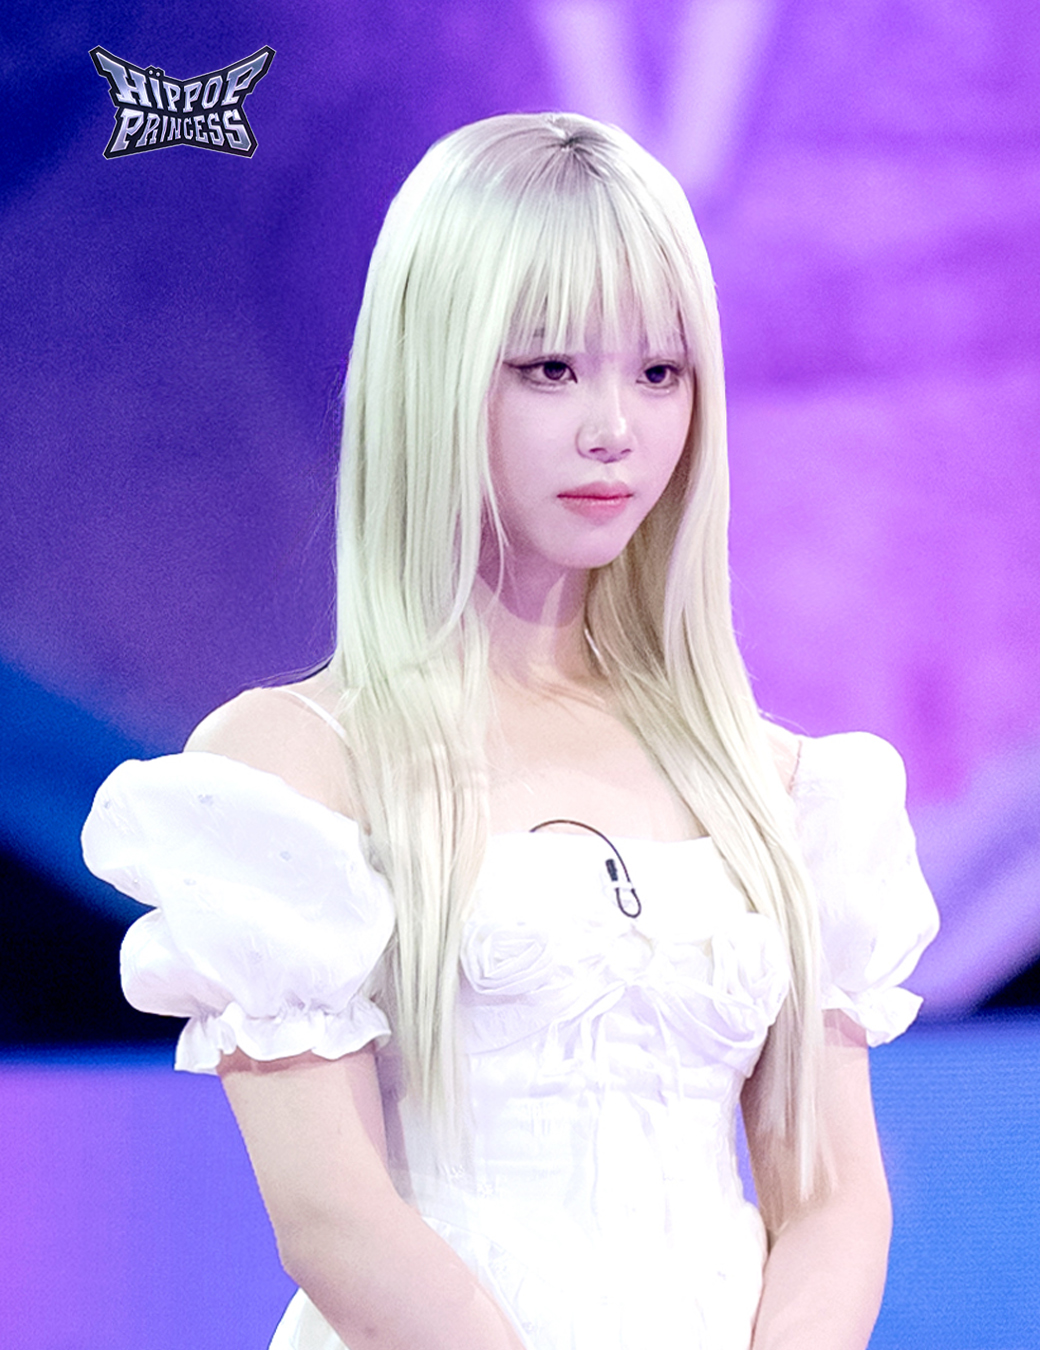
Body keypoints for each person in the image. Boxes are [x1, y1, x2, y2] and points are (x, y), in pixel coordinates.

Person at [82, 112, 939, 1350]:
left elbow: (831, 1200)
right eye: (549, 368)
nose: (615, 428)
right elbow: (332, 1219)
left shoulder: (782, 787)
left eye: (659, 372)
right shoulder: (293, 769)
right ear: (434, 373)